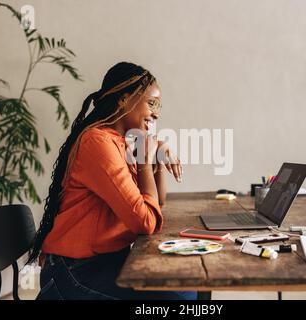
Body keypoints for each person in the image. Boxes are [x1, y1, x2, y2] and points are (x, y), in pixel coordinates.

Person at [28, 62, 197, 300]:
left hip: (104, 263)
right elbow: (145, 222)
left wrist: (155, 157)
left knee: (188, 286)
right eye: (151, 103)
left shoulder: (121, 143)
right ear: (124, 100)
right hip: (73, 272)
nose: (156, 113)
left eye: (158, 105)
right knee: (181, 296)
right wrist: (144, 160)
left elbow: (156, 204)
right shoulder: (98, 143)